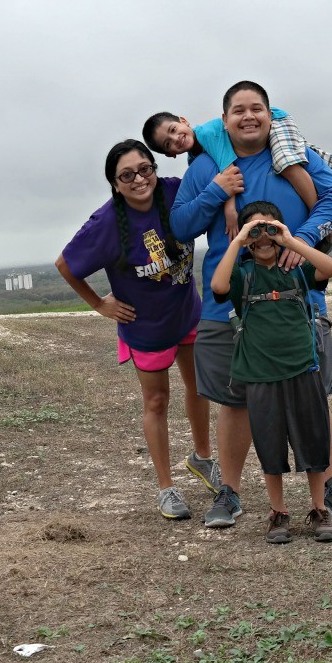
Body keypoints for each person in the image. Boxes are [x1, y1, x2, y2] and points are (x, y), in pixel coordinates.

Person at [169, 80, 332, 529]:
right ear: (224, 119)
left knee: (313, 396)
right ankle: (229, 493)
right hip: (228, 306)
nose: (248, 116)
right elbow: (180, 225)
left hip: (298, 299)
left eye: (257, 109)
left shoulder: (296, 158)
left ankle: (329, 485)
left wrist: (304, 238)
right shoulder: (207, 166)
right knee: (234, 403)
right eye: (238, 110)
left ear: (272, 116)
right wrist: (216, 189)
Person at [55, 140, 219, 520]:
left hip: (187, 312)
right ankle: (166, 487)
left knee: (199, 387)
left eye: (145, 169)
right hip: (144, 326)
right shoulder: (106, 223)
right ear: (115, 183)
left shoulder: (176, 191)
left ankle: (203, 458)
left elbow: (214, 176)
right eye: (126, 175)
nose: (139, 179)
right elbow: (66, 264)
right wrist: (99, 304)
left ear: (154, 168)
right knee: (157, 401)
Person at [211, 201, 332, 543]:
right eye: (255, 230)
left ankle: (318, 508)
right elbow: (219, 286)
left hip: (303, 367)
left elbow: (330, 267)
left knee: (313, 441)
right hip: (261, 374)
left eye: (270, 228)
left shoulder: (296, 270)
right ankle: (278, 511)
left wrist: (292, 241)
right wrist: (238, 242)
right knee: (269, 444)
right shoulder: (244, 275)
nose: (263, 237)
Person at [143, 107, 332, 238]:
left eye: (173, 130)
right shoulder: (197, 157)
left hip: (272, 122)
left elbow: (228, 171)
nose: (176, 139)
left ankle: (318, 222)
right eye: (168, 144)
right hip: (266, 126)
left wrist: (229, 209)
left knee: (288, 164)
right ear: (170, 155)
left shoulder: (209, 134)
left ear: (183, 121)